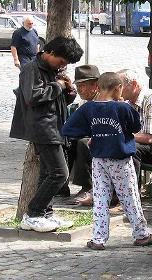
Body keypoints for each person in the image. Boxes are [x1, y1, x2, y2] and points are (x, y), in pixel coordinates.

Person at [62, 72, 152, 250]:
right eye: (121, 89)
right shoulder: (123, 108)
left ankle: (98, 239)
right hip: (120, 160)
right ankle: (141, 234)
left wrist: (92, 133)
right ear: (118, 88)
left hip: (99, 159)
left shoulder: (87, 108)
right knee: (130, 197)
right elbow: (136, 127)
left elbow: (68, 128)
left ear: (98, 88)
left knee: (101, 199)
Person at [10, 36, 83, 232]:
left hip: (55, 126)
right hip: (42, 128)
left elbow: (57, 103)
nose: (63, 66)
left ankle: (45, 214)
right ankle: (33, 213)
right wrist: (57, 86)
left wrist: (69, 91)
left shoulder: (52, 70)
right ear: (49, 53)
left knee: (47, 174)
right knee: (60, 174)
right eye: (62, 61)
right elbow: (33, 97)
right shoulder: (30, 69)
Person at [57, 65, 101, 200]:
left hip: (104, 138)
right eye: (78, 85)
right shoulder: (84, 103)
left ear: (95, 85)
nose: (79, 89)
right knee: (66, 141)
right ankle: (61, 184)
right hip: (91, 135)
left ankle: (87, 186)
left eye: (83, 86)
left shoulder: (103, 100)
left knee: (83, 143)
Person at [117, 69, 152, 179]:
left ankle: (130, 193)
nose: (117, 90)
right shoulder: (127, 102)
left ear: (134, 84)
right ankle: (107, 190)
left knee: (130, 148)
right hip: (141, 144)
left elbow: (150, 138)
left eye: (120, 86)